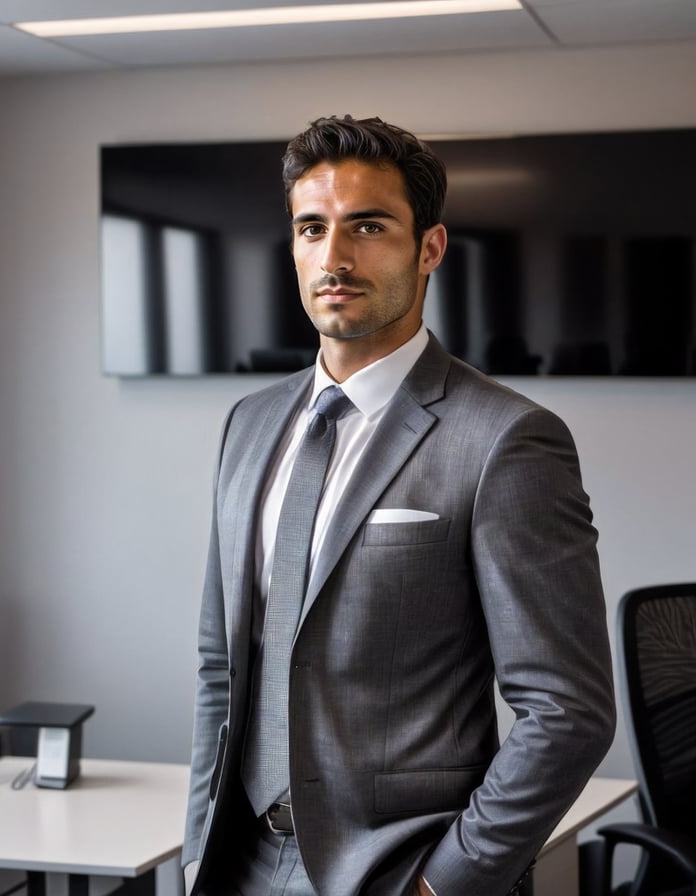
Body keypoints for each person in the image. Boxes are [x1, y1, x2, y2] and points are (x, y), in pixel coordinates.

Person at [183, 115, 615, 896]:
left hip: (399, 872)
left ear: (430, 249)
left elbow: (567, 711)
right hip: (236, 864)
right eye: (311, 229)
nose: (334, 257)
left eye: (368, 227)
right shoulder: (247, 425)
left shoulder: (506, 439)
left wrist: (442, 884)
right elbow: (222, 664)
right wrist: (194, 853)